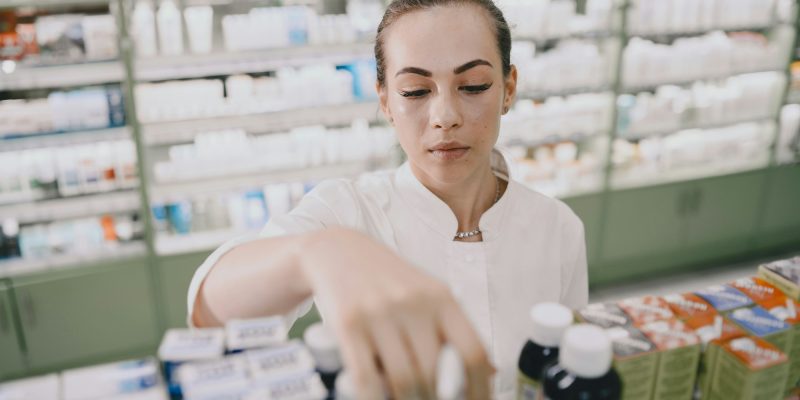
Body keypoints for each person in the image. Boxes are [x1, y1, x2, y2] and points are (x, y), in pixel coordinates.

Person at [187, 0, 588, 398]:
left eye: (473, 86)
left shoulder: (558, 227)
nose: (445, 116)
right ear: (385, 103)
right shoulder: (345, 211)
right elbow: (212, 313)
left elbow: (568, 372)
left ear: (508, 88)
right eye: (415, 91)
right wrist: (317, 253)